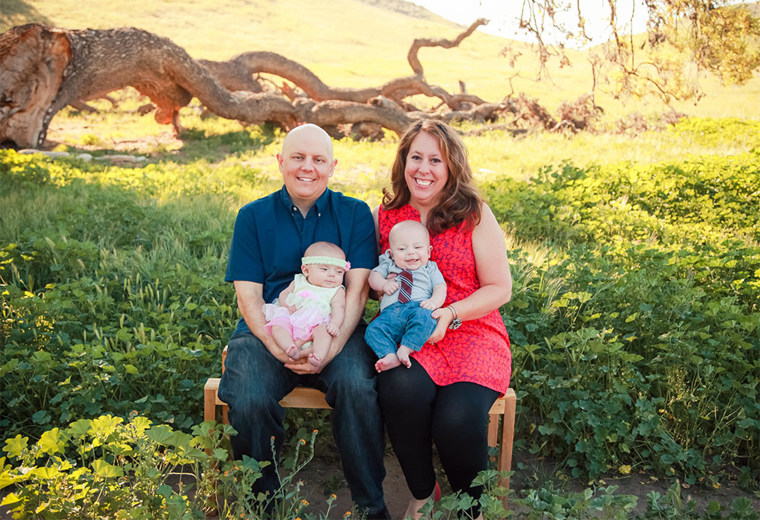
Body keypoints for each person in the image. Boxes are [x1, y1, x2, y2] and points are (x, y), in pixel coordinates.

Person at [218, 123, 390, 519]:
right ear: (281, 161)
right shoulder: (253, 216)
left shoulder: (354, 214)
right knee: (248, 394)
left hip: (335, 327)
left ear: (332, 166)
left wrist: (328, 347)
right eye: (297, 157)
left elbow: (358, 291)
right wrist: (275, 343)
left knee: (357, 387)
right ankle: (266, 507)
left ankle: (370, 507)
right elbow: (248, 295)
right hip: (270, 328)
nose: (307, 167)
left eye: (317, 159)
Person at [374, 120, 512, 520]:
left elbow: (500, 287)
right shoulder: (386, 215)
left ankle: (473, 510)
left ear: (451, 166)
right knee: (399, 388)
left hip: (471, 331)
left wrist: (449, 312)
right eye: (415, 157)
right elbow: (374, 276)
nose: (424, 168)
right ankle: (423, 493)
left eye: (435, 159)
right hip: (410, 332)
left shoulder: (473, 214)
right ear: (403, 162)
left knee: (456, 419)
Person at [365, 219, 446, 372]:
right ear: (391, 253)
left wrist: (434, 302)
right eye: (402, 249)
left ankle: (406, 348)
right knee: (372, 330)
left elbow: (440, 287)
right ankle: (389, 355)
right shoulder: (388, 263)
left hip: (418, 307)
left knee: (427, 319)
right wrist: (383, 284)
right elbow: (373, 276)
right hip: (390, 313)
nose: (410, 252)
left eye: (417, 247)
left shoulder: (430, 267)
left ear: (428, 251)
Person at [264, 241, 348, 371]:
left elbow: (339, 308)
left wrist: (335, 324)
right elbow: (284, 293)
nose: (332, 275)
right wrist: (286, 305)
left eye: (339, 272)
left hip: (317, 323)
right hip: (291, 316)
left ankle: (318, 357)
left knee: (323, 333)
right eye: (324, 269)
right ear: (306, 270)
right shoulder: (298, 281)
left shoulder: (337, 290)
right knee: (278, 325)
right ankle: (290, 348)